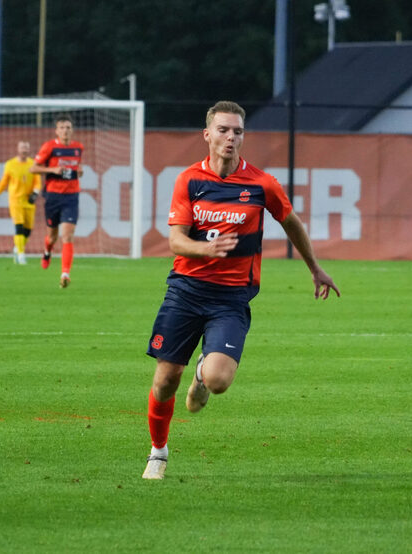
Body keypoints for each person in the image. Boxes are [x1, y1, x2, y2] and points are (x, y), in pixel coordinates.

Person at [142, 100, 340, 480]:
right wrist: (205, 248)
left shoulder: (261, 184)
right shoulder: (190, 181)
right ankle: (158, 453)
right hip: (185, 291)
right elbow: (175, 242)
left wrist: (315, 268)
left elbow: (291, 222)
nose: (231, 137)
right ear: (207, 135)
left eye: (237, 131)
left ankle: (201, 374)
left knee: (218, 381)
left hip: (230, 299)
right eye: (223, 130)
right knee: (165, 380)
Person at [30, 115, 84, 288]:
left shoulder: (78, 148)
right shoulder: (49, 147)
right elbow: (33, 168)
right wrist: (52, 169)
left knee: (67, 235)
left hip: (71, 196)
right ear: (56, 130)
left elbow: (76, 168)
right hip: (53, 196)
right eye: (62, 127)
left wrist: (79, 172)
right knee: (52, 236)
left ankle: (65, 274)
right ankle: (47, 251)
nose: (65, 130)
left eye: (68, 127)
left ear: (72, 130)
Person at [0, 141, 42, 264]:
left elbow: (38, 181)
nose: (24, 149)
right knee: (19, 227)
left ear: (29, 149)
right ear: (18, 149)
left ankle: (17, 247)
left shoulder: (33, 164)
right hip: (15, 200)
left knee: (28, 230)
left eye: (26, 147)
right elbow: (4, 182)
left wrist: (35, 193)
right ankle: (21, 255)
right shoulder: (10, 164)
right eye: (22, 147)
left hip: (28, 201)